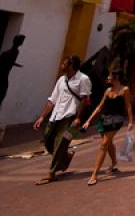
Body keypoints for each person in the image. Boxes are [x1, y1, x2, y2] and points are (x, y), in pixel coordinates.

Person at [32, 55, 91, 185]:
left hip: (70, 118)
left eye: (65, 63)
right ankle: (65, 158)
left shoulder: (83, 79)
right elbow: (51, 100)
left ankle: (51, 173)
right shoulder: (61, 80)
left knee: (61, 143)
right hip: (55, 116)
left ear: (71, 66)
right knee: (48, 140)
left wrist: (78, 118)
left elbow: (84, 99)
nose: (62, 65)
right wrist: (42, 117)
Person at [82, 69, 133, 186]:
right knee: (108, 143)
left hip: (116, 120)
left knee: (104, 144)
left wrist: (130, 122)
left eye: (110, 76)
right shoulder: (107, 91)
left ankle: (94, 174)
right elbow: (99, 108)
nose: (108, 77)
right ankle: (114, 163)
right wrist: (88, 121)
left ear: (116, 77)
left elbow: (128, 106)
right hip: (104, 119)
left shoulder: (124, 90)